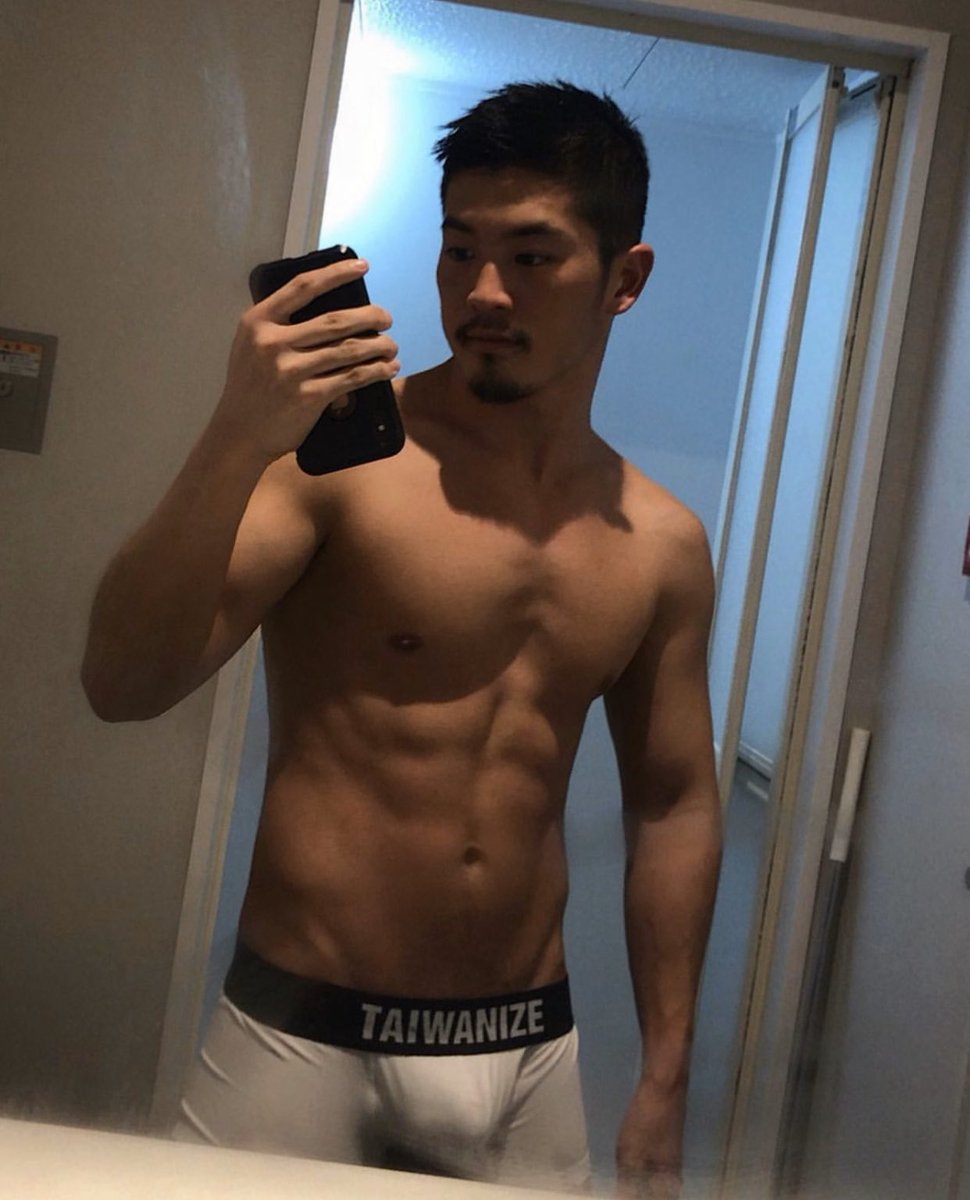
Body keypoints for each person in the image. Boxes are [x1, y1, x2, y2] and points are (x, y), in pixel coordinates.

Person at [81, 81, 722, 1197]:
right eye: (459, 248)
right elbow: (122, 682)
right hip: (300, 1041)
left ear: (625, 278)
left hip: (526, 1055)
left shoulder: (661, 544)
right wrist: (235, 435)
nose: (483, 290)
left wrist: (665, 1070)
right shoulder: (341, 468)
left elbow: (672, 801)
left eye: (531, 256)